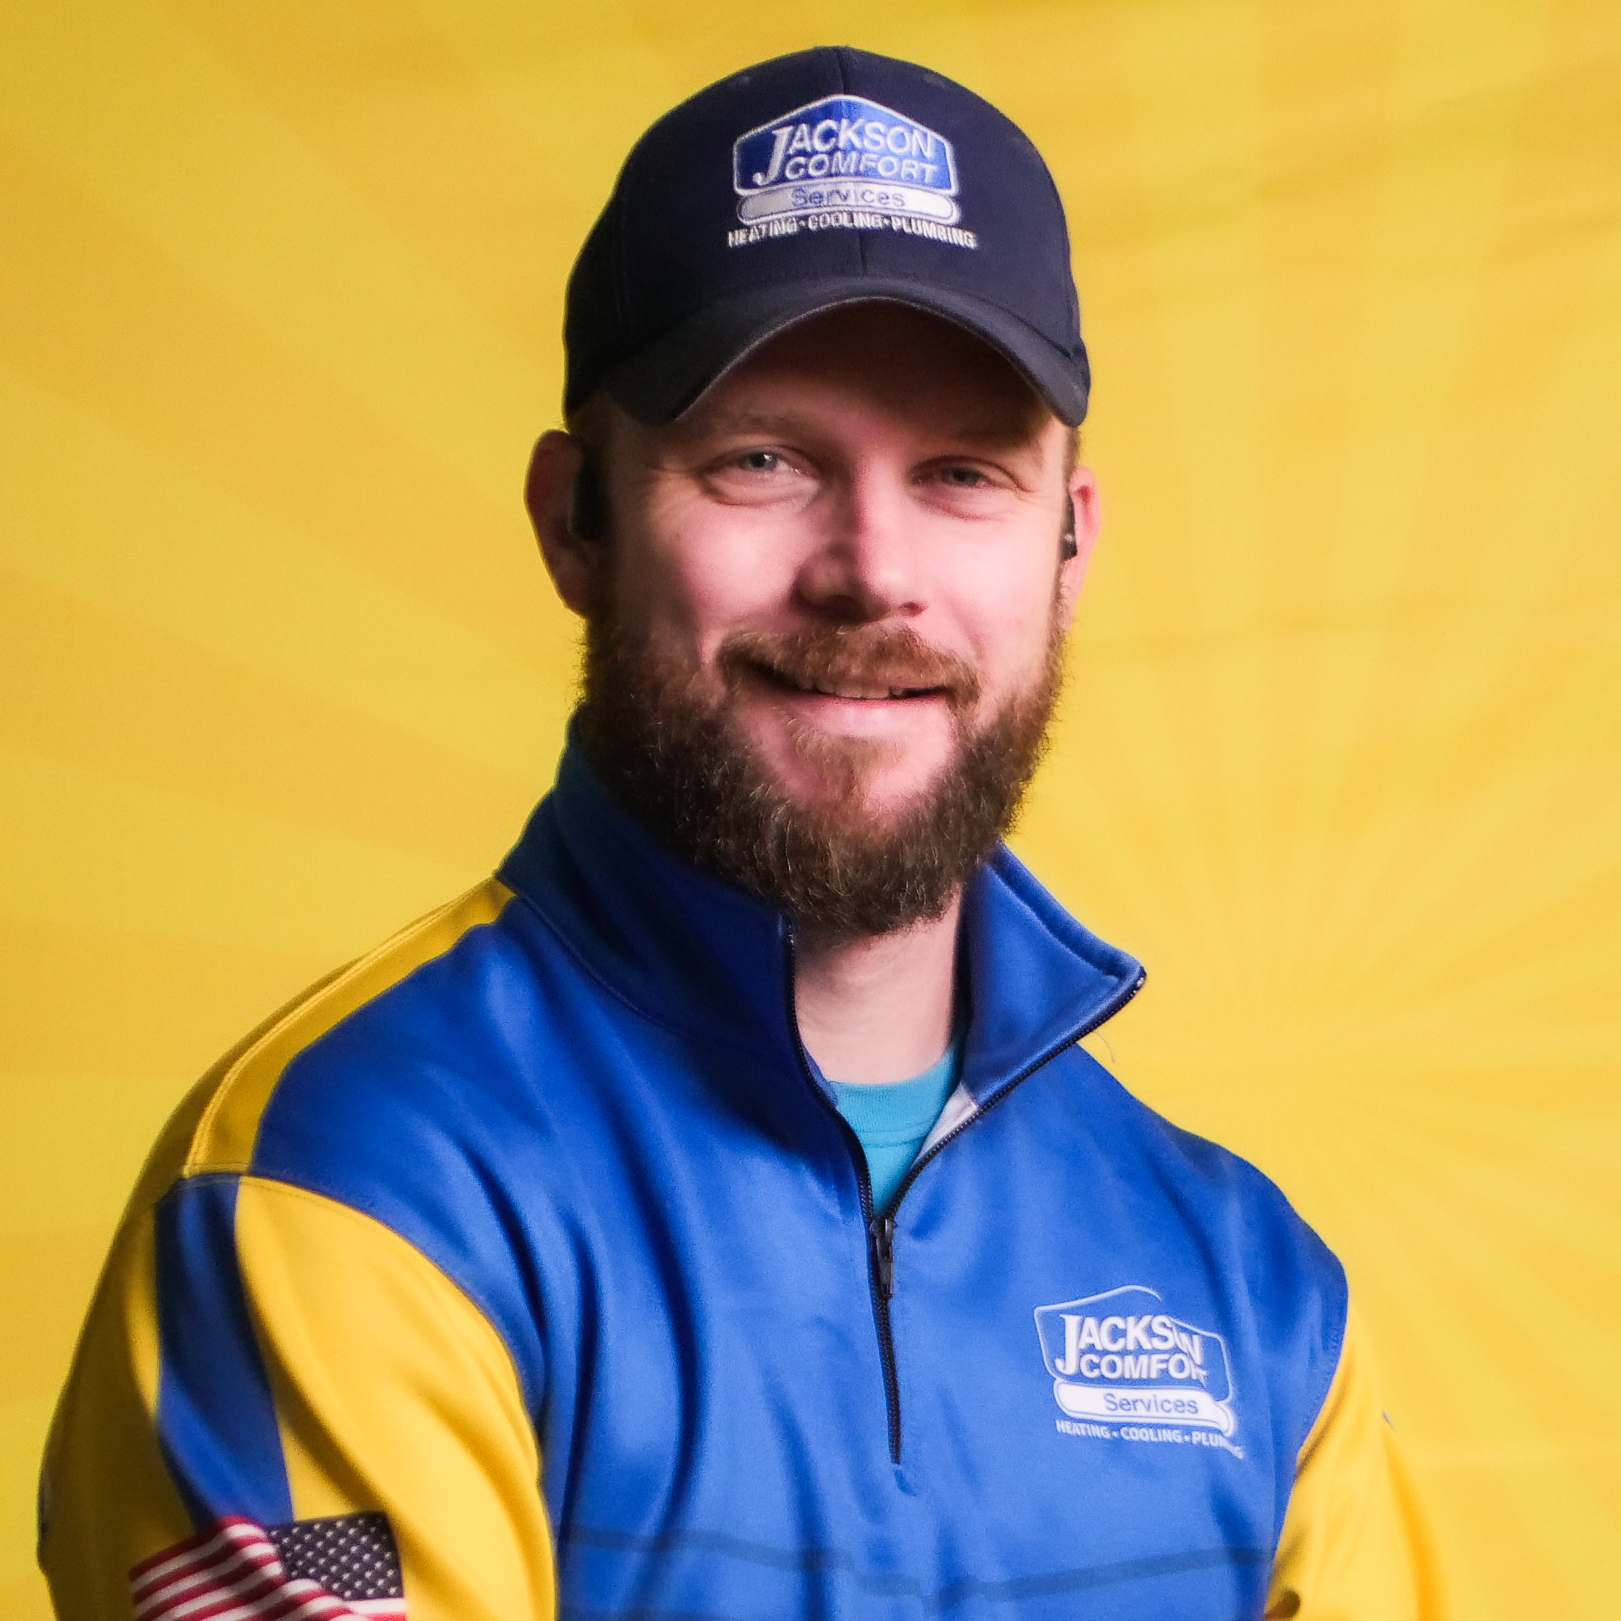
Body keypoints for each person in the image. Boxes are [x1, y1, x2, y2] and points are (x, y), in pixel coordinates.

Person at [39, 46, 1446, 1621]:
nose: (869, 569)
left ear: (1068, 546)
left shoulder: (1252, 1295)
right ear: (576, 520)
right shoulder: (339, 1190)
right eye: (762, 460)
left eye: (961, 473)